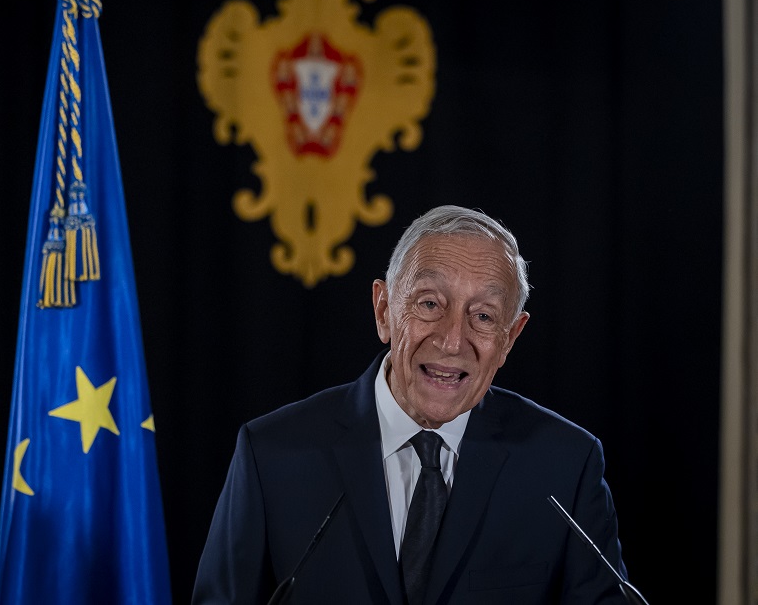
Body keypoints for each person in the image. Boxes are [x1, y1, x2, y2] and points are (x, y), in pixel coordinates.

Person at [192, 204, 631, 604]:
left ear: (509, 338)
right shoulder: (271, 456)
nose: (452, 340)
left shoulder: (564, 467)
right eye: (430, 304)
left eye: (483, 316)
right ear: (384, 310)